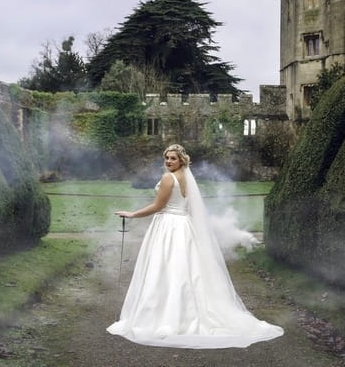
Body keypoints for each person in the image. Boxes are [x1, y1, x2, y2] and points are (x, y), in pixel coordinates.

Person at [107, 144, 284, 348]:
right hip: (184, 225)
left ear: (181, 160)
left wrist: (132, 214)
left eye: (173, 158)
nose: (168, 161)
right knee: (184, 268)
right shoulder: (186, 176)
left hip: (168, 227)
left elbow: (158, 206)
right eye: (166, 158)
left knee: (166, 268)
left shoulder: (168, 178)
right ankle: (184, 312)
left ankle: (165, 315)